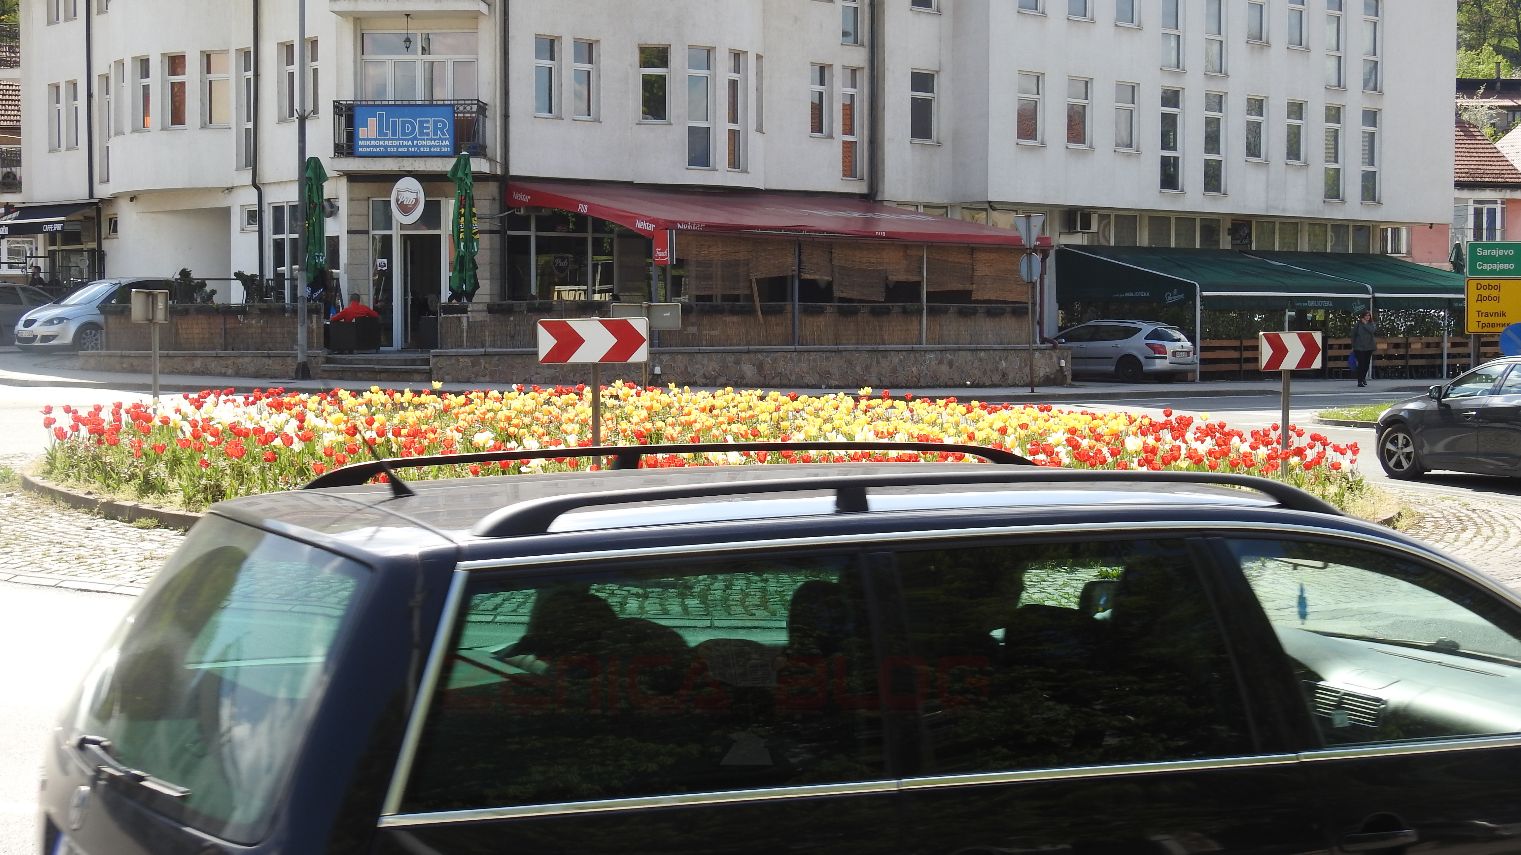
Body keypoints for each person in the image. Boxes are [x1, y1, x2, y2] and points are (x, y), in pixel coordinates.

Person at [1351, 309, 1377, 387]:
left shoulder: (1371, 324)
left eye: (1369, 315)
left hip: (1369, 347)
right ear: (1363, 316)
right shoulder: (1358, 324)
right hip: (1359, 347)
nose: (1367, 317)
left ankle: (1363, 377)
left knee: (1366, 364)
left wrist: (1365, 324)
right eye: (1366, 315)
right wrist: (1353, 345)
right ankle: (1359, 381)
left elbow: (1372, 331)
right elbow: (1353, 334)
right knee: (1361, 363)